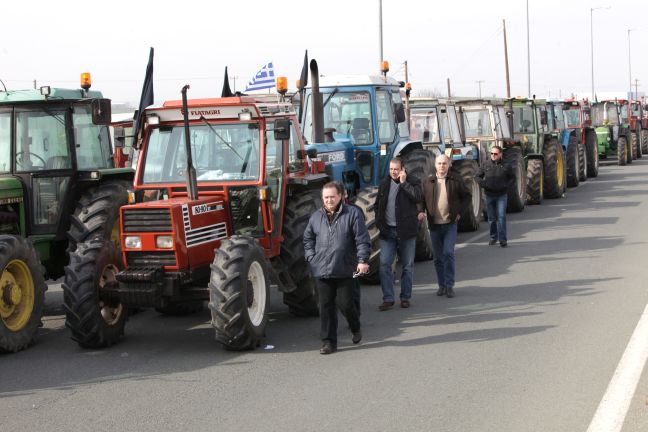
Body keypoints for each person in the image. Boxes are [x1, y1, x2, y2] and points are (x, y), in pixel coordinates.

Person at [303, 182, 371, 355]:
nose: (329, 200)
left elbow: (362, 239)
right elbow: (308, 239)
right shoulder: (316, 217)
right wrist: (311, 257)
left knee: (346, 304)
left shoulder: (353, 214)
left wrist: (362, 260)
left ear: (340, 196)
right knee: (325, 307)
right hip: (322, 269)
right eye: (326, 197)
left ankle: (355, 327)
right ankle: (328, 342)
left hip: (345, 268)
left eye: (332, 196)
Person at [374, 157, 423, 310]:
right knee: (384, 265)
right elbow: (377, 206)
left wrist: (404, 183)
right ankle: (388, 298)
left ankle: (405, 297)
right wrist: (380, 224)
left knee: (407, 266)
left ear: (402, 169)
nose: (393, 172)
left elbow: (417, 197)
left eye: (396, 169)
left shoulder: (413, 181)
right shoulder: (384, 183)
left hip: (406, 231)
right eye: (391, 169)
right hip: (388, 232)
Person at [422, 154, 470, 298]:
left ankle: (449, 285)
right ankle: (441, 285)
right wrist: (420, 211)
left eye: (444, 163)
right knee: (437, 258)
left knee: (448, 253)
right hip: (434, 225)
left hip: (450, 224)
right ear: (435, 165)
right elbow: (421, 199)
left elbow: (467, 196)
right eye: (439, 163)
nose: (442, 166)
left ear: (448, 165)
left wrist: (460, 212)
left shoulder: (455, 180)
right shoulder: (428, 181)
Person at [476, 145, 514, 247]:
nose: (493, 155)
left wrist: (506, 186)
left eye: (495, 154)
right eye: (491, 153)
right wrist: (484, 184)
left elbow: (512, 178)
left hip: (502, 195)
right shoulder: (485, 164)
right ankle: (493, 237)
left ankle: (503, 239)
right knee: (491, 218)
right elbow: (477, 177)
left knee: (501, 216)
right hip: (489, 195)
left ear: (500, 154)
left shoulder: (506, 165)